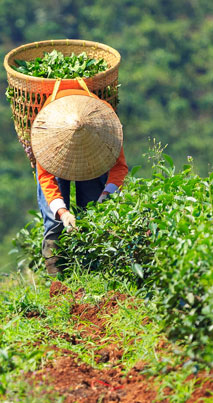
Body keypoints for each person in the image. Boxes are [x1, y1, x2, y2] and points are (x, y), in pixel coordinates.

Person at [29, 80, 127, 276]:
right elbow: (46, 178)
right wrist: (63, 212)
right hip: (58, 150)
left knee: (93, 215)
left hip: (93, 158)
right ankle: (58, 281)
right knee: (54, 223)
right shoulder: (46, 130)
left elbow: (119, 168)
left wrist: (105, 195)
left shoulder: (104, 126)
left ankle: (92, 274)